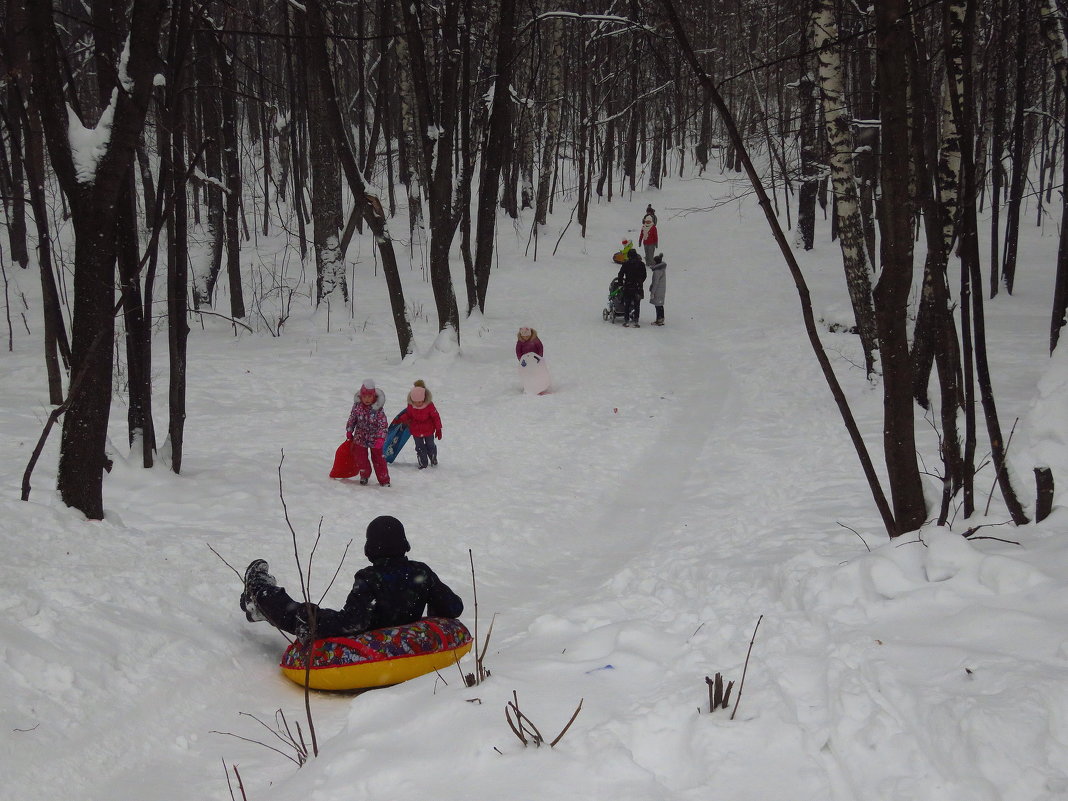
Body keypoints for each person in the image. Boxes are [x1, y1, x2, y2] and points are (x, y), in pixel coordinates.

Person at [239, 515, 464, 641]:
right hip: (400, 635)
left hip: (369, 639)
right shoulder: (421, 572)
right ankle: (260, 609)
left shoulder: (370, 577)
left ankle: (260, 593)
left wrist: (314, 620)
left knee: (302, 614)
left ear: (371, 548)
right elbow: (453, 607)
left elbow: (353, 622)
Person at [346, 379, 390, 486]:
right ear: (361, 396)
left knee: (379, 460)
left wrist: (381, 438)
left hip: (375, 439)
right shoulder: (357, 407)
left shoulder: (377, 409)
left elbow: (383, 425)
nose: (367, 399)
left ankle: (384, 480)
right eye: (364, 396)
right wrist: (349, 430)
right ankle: (364, 474)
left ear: (374, 397)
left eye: (369, 397)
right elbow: (352, 418)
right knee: (361, 458)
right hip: (360, 437)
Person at [396, 380, 442, 469]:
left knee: (430, 445)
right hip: (416, 430)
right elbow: (408, 415)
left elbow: (436, 417)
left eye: (420, 402)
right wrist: (400, 419)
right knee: (419, 447)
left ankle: (433, 457)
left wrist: (438, 429)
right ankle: (423, 462)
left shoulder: (429, 406)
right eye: (415, 402)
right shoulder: (411, 405)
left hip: (428, 430)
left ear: (424, 399)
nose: (417, 404)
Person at [616, 249, 647, 328]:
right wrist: (640, 282)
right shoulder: (641, 264)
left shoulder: (626, 264)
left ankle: (626, 320)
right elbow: (644, 275)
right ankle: (636, 320)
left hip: (628, 286)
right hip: (638, 287)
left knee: (627, 304)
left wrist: (620, 283)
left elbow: (620, 274)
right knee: (637, 304)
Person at [648, 252, 667, 326]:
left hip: (658, 290)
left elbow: (655, 283)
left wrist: (652, 292)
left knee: (658, 305)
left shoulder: (657, 271)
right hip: (661, 289)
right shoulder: (662, 269)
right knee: (660, 305)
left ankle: (659, 320)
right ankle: (661, 319)